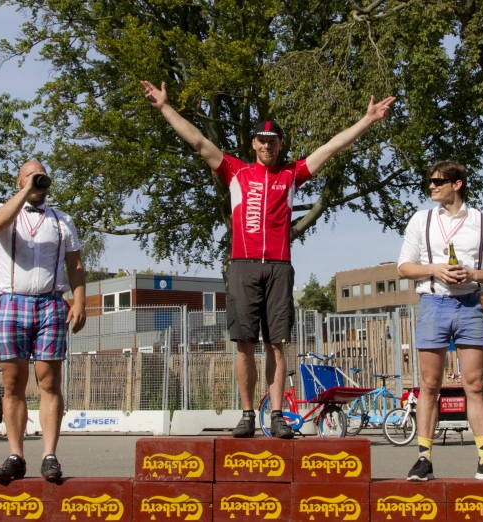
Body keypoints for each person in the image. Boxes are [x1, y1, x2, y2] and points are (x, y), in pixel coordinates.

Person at [142, 79, 395, 438]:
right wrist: (165, 107)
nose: (266, 145)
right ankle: (247, 413)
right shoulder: (235, 171)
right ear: (253, 144)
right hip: (242, 264)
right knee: (244, 343)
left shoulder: (292, 174)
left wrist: (367, 120)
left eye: (273, 140)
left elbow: (331, 147)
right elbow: (198, 141)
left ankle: (277, 414)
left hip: (279, 266)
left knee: (277, 343)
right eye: (261, 140)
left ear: (280, 145)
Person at [397, 160, 483, 481]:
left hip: (470, 305)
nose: (431, 186)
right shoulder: (422, 220)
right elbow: (404, 267)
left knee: (474, 385)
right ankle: (424, 460)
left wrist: (473, 273)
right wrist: (435, 269)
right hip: (433, 304)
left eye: (437, 181)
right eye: (430, 181)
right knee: (429, 385)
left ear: (456, 184)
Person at [0, 160, 86, 481]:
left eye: (41, 176)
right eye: (30, 176)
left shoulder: (62, 221)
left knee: (49, 383)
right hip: (12, 302)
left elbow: (76, 264)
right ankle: (15, 454)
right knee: (12, 384)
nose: (37, 180)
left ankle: (50, 456)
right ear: (19, 182)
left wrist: (80, 301)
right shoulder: (5, 211)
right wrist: (27, 190)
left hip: (50, 304)